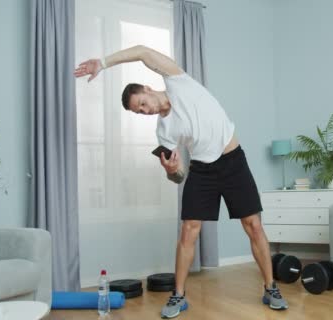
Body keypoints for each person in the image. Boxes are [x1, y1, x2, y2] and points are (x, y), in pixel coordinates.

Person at [74, 45, 288, 318]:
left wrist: (102, 63)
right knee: (188, 230)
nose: (144, 111)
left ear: (148, 89)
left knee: (254, 225)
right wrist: (171, 169)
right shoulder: (163, 131)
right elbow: (177, 177)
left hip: (233, 160)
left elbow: (140, 51)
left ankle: (270, 288)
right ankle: (178, 295)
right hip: (201, 169)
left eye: (141, 104)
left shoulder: (177, 80)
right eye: (138, 112)